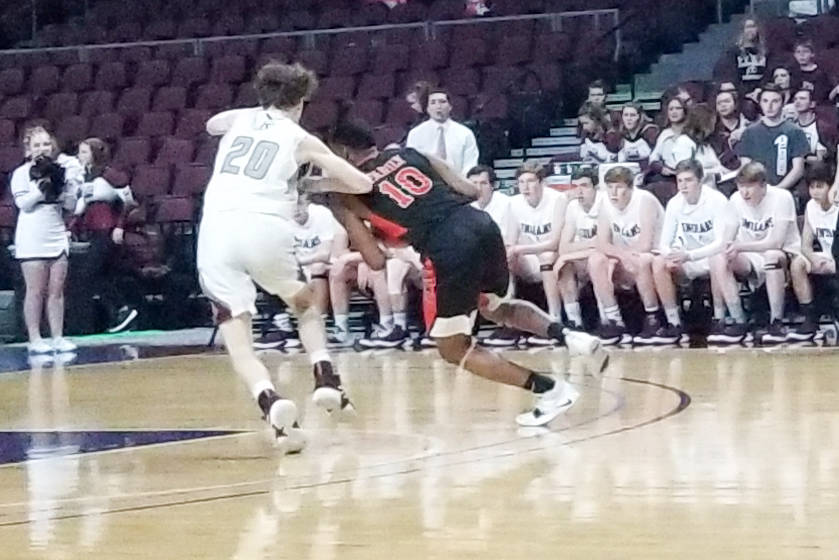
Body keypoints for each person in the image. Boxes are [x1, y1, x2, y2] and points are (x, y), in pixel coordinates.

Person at [318, 118, 609, 427]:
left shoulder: (348, 194)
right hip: (479, 225)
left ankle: (551, 390)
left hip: (446, 247)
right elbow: (470, 190)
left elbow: (375, 261)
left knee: (453, 347)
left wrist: (350, 215)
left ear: (345, 154)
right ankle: (571, 336)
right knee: (496, 307)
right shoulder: (412, 153)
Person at [197, 62, 375, 454]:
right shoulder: (300, 137)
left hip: (215, 231)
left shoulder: (241, 117)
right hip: (264, 227)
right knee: (304, 302)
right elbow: (361, 182)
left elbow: (212, 124)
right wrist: (312, 182)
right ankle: (325, 375)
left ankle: (270, 400)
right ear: (300, 101)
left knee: (236, 330)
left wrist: (248, 116)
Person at [708, 162, 801, 344]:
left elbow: (777, 242)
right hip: (752, 254)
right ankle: (738, 321)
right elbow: (728, 238)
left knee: (772, 255)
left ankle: (776, 321)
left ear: (763, 186)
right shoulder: (735, 200)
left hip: (785, 254)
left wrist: (740, 247)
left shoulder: (782, 197)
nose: (745, 192)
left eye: (750, 187)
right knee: (719, 258)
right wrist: (728, 248)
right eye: (741, 186)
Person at [11, 126, 84, 354]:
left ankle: (58, 336)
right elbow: (23, 203)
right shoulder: (21, 174)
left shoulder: (60, 170)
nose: (42, 149)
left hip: (55, 230)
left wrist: (69, 186)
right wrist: (42, 188)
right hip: (32, 232)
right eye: (37, 145)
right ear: (28, 150)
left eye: (46, 144)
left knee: (56, 290)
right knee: (35, 290)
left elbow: (70, 207)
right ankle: (35, 338)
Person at [651, 159, 732, 344]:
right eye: (680, 181)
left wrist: (690, 255)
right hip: (687, 258)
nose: (683, 186)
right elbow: (664, 242)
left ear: (700, 180)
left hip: (711, 255)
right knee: (659, 263)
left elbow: (721, 242)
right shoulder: (674, 203)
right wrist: (671, 254)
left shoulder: (716, 200)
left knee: (717, 259)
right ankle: (674, 323)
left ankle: (719, 318)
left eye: (688, 180)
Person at [588, 166, 665, 344]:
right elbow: (601, 242)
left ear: (630, 188)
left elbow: (646, 244)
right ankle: (614, 320)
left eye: (619, 187)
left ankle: (653, 318)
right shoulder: (605, 203)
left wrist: (625, 256)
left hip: (655, 256)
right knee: (596, 260)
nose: (614, 192)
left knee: (642, 260)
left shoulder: (645, 200)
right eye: (610, 187)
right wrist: (622, 256)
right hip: (626, 257)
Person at [71, 137, 137, 333]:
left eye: (84, 152)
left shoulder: (109, 174)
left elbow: (128, 201)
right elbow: (82, 207)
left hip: (106, 230)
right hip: (94, 231)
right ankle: (122, 312)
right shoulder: (86, 177)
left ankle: (122, 308)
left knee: (90, 274)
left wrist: (120, 226)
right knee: (102, 274)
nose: (79, 156)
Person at [497, 162, 567, 346]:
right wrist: (512, 251)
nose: (525, 187)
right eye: (521, 182)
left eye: (530, 181)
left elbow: (554, 243)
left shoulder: (557, 199)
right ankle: (508, 321)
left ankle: (554, 320)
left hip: (554, 255)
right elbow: (511, 240)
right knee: (506, 258)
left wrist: (520, 249)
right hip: (528, 257)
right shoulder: (513, 202)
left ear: (541, 182)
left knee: (546, 257)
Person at [789, 161, 838, 340]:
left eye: (820, 186)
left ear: (831, 187)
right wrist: (813, 259)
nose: (815, 191)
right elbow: (805, 245)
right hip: (826, 257)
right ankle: (810, 318)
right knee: (798, 264)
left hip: (836, 258)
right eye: (812, 187)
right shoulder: (810, 206)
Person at [736, 83, 809, 200]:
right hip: (756, 193)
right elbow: (745, 167)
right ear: (760, 103)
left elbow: (798, 169)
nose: (769, 106)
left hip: (785, 193)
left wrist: (777, 191)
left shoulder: (795, 132)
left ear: (783, 103)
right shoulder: (749, 132)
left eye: (775, 101)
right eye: (765, 101)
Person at [553, 166, 605, 329]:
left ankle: (607, 320)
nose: (579, 191)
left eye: (584, 186)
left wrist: (576, 250)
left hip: (609, 259)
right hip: (585, 256)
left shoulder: (605, 203)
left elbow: (606, 245)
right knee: (563, 264)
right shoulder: (573, 207)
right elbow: (564, 247)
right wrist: (591, 244)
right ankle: (575, 321)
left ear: (596, 188)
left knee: (596, 262)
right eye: (575, 187)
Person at [406, 88, 479, 175]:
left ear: (450, 107)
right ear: (427, 108)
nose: (438, 106)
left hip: (457, 182)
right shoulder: (416, 134)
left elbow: (470, 164)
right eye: (433, 103)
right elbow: (412, 163)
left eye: (442, 102)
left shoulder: (465, 133)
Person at [671, 104, 732, 189]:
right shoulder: (684, 142)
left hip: (712, 190)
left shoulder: (706, 144)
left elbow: (717, 166)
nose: (713, 127)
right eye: (711, 123)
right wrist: (714, 173)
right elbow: (685, 172)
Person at [614, 101, 659, 167]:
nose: (629, 119)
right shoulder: (621, 135)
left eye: (632, 115)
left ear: (639, 116)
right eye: (626, 115)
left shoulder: (650, 132)